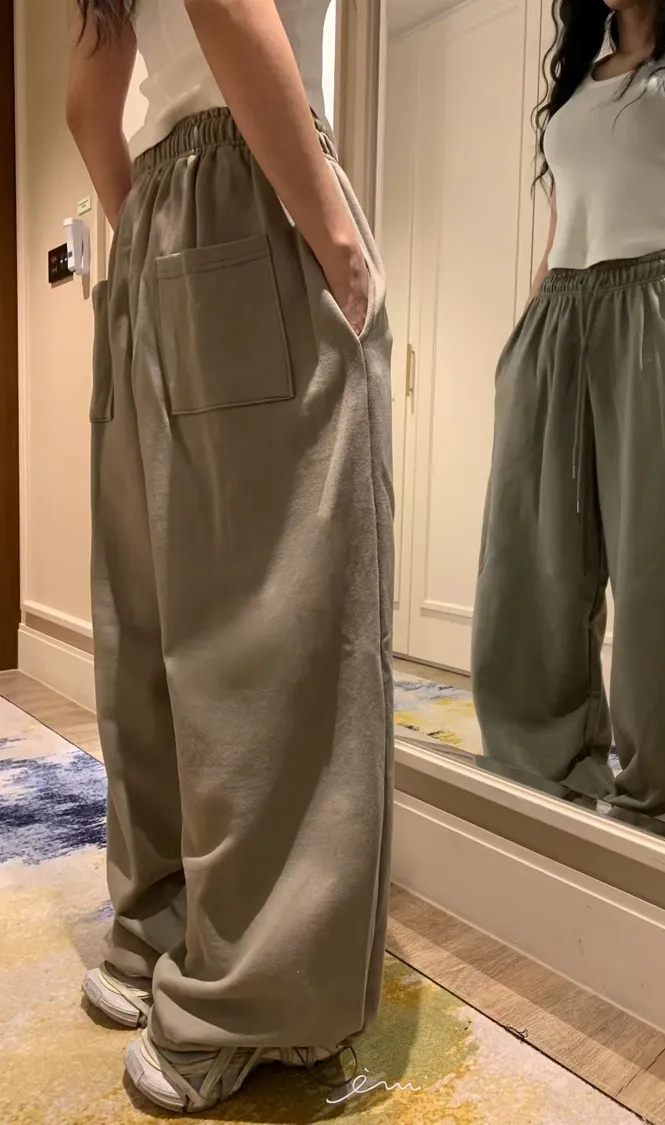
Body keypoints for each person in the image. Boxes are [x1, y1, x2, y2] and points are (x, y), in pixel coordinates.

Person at [67, 0, 394, 1113]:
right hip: (254, 175)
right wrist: (329, 227)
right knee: (284, 618)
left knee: (163, 612)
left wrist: (151, 231)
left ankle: (152, 939)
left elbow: (87, 101)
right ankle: (242, 1004)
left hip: (158, 208)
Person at [472, 0, 665, 858]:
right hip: (557, 315)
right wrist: (524, 336)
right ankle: (541, 776)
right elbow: (567, 216)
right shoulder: (579, 73)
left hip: (660, 302)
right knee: (531, 567)